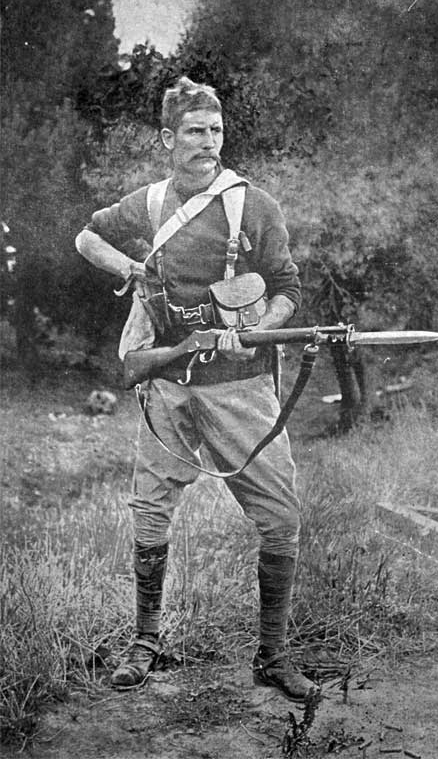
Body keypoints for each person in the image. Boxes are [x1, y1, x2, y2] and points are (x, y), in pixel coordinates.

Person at [75, 76, 313, 702]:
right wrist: (129, 268)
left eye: (216, 131)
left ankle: (272, 654)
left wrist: (257, 328)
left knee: (280, 517)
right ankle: (146, 640)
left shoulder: (252, 204)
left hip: (241, 387)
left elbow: (287, 286)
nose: (208, 143)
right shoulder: (150, 204)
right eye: (194, 132)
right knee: (150, 510)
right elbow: (86, 235)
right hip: (168, 387)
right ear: (167, 139)